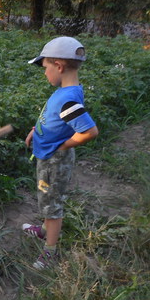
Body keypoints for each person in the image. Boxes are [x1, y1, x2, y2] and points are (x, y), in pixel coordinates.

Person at [23, 37, 99, 269]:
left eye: (45, 67)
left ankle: (50, 251)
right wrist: (36, 131)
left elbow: (90, 131)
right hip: (48, 156)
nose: (44, 73)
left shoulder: (68, 99)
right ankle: (45, 229)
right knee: (46, 198)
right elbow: (57, 120)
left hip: (55, 161)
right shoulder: (68, 91)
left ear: (59, 66)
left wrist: (64, 146)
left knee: (52, 205)